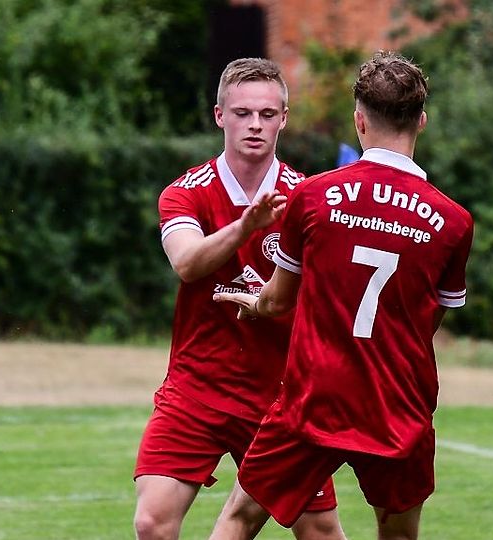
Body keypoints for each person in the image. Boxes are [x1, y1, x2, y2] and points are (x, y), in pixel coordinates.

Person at [209, 51, 474, 540]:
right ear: (421, 120)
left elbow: (278, 301)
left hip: (315, 397)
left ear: (359, 120)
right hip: (398, 403)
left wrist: (256, 303)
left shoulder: (312, 196)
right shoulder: (453, 221)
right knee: (399, 535)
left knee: (239, 519)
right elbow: (428, 320)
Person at [133, 58, 344, 540]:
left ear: (283, 119)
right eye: (243, 113)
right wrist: (246, 226)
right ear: (219, 116)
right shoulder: (187, 192)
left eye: (267, 114)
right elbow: (187, 263)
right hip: (198, 385)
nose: (255, 125)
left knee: (320, 530)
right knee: (151, 521)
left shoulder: (308, 198)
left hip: (280, 394)